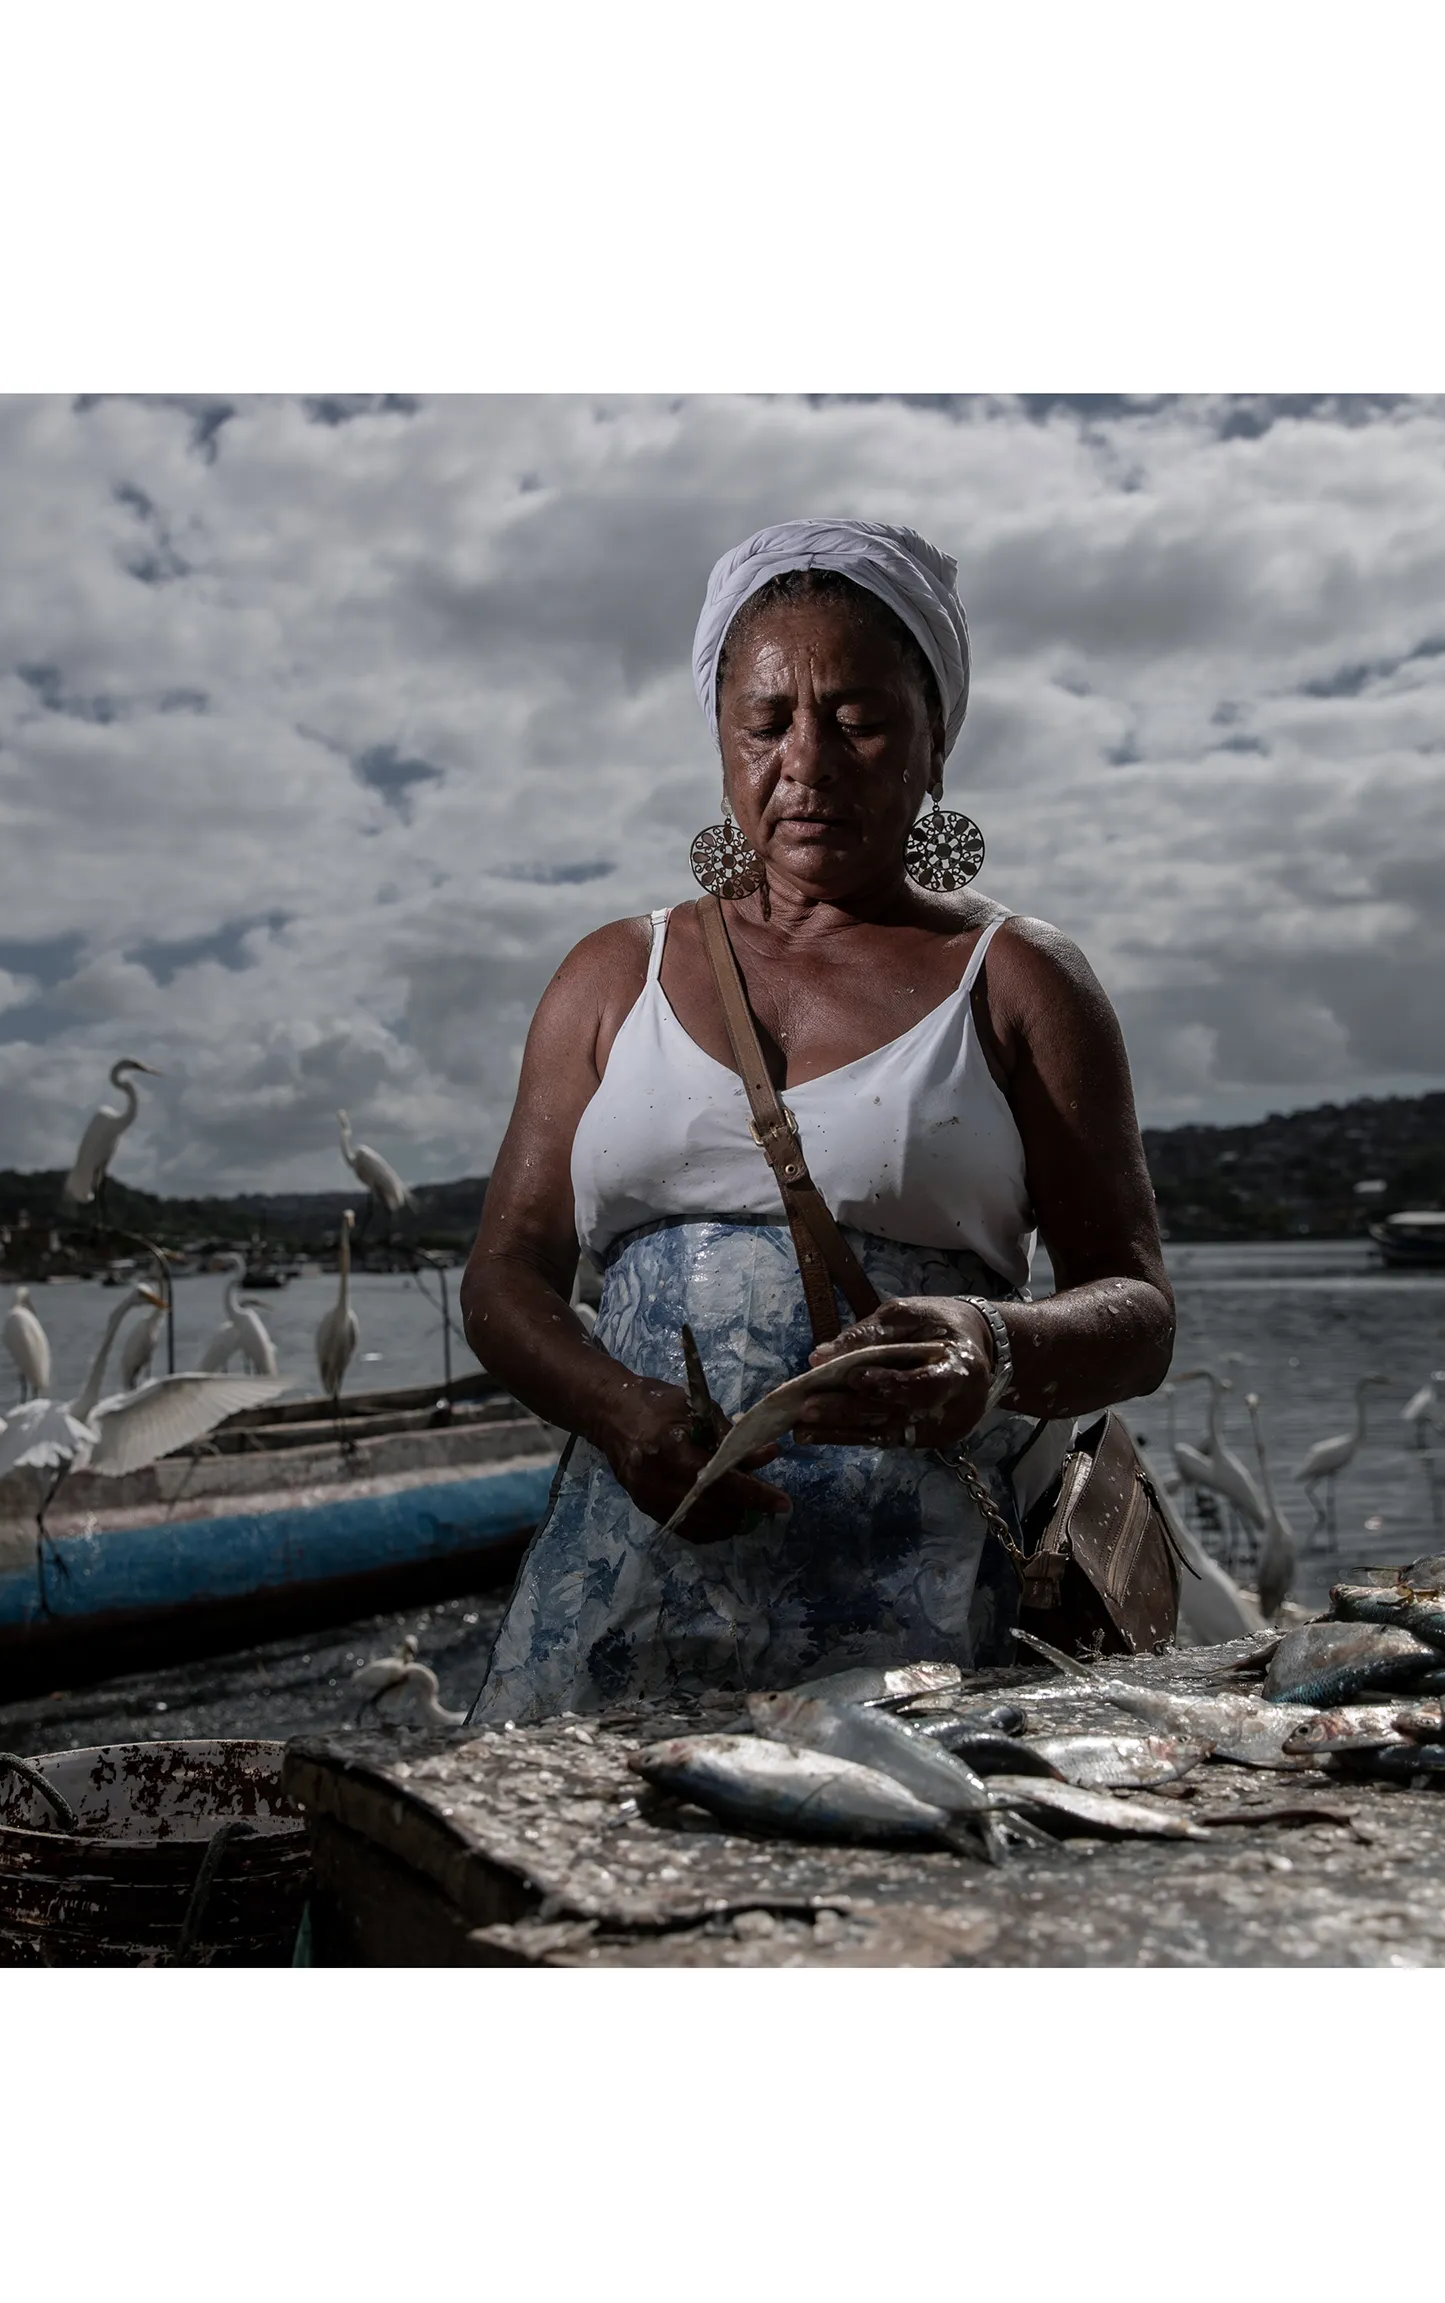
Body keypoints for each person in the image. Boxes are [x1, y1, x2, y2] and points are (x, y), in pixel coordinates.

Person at [460, 518, 1174, 1720]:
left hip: (918, 1602)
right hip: (631, 1571)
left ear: (934, 743)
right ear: (722, 741)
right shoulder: (607, 976)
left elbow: (1136, 1307)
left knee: (889, 1894)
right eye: (767, 720)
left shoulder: (1017, 982)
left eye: (858, 718)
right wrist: (618, 1408)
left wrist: (990, 1346)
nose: (809, 760)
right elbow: (502, 1276)